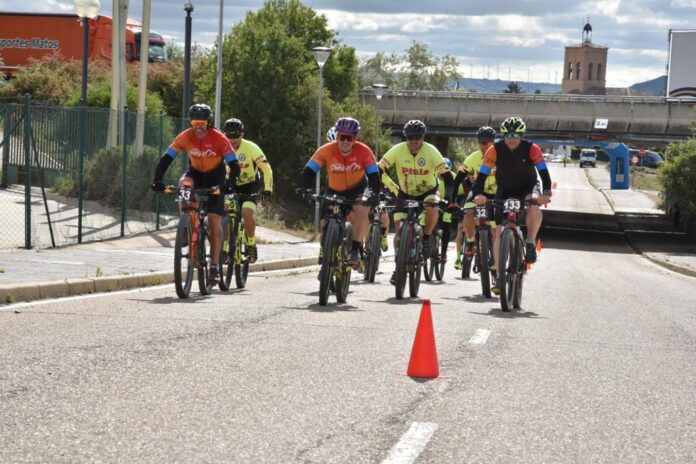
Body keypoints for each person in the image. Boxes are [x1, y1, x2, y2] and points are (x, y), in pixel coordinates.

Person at [151, 103, 240, 283]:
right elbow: (166, 159)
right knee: (184, 184)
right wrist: (157, 180)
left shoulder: (219, 138)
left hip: (216, 177)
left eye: (202, 122)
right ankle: (187, 221)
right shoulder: (185, 136)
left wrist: (229, 185)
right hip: (196, 174)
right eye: (194, 122)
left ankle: (214, 265)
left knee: (215, 220)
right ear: (191, 122)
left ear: (208, 122)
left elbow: (234, 165)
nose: (198, 126)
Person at [472, 116, 551, 292]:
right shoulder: (494, 150)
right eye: (508, 135)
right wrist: (478, 194)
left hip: (528, 187)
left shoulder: (532, 148)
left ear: (521, 135)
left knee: (534, 204)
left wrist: (545, 193)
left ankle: (530, 242)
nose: (511, 138)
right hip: (505, 189)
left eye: (515, 134)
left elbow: (544, 173)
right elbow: (482, 176)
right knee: (498, 231)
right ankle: (499, 277)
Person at [298, 117, 381, 268]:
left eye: (349, 138)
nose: (345, 141)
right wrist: (303, 187)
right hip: (334, 190)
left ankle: (355, 250)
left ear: (355, 138)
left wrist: (375, 194)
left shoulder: (364, 151)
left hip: (357, 189)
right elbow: (309, 171)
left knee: (363, 211)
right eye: (342, 137)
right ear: (337, 136)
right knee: (324, 223)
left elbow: (374, 175)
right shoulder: (326, 150)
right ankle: (326, 257)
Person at [378, 120, 454, 284]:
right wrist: (375, 188)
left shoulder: (431, 151)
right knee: (398, 232)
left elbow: (447, 177)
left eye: (417, 139)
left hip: (428, 191)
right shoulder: (398, 150)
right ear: (406, 138)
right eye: (410, 138)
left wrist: (447, 198)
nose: (413, 142)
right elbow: (379, 168)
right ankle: (398, 267)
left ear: (423, 138)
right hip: (405, 193)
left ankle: (426, 237)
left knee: (433, 205)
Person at [223, 118, 273, 264]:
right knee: (225, 212)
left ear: (242, 135)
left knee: (246, 212)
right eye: (228, 136)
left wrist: (267, 189)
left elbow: (266, 169)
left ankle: (250, 244)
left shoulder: (251, 148)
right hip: (231, 185)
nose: (232, 139)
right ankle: (224, 249)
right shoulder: (221, 146)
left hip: (250, 185)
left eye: (236, 136)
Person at [452, 126, 497, 270]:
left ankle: (496, 261)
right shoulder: (473, 158)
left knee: (496, 226)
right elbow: (457, 179)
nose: (484, 146)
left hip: (497, 192)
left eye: (487, 143)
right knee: (468, 211)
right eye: (481, 143)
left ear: (493, 142)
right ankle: (471, 241)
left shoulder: (500, 155)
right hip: (478, 192)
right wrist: (452, 200)